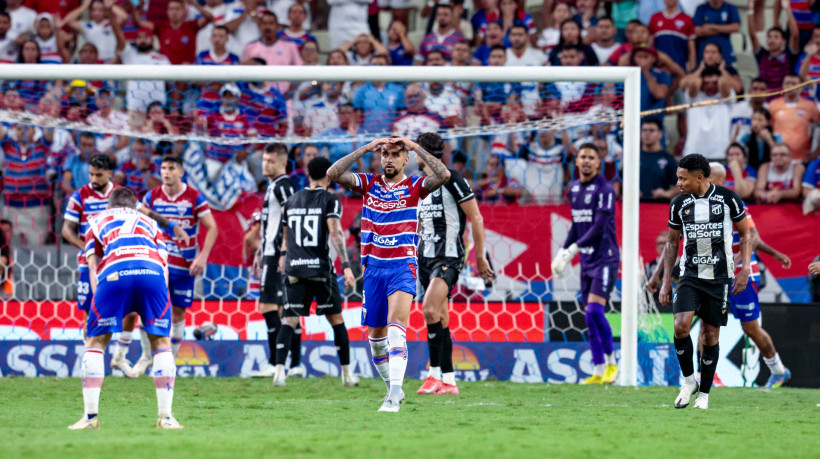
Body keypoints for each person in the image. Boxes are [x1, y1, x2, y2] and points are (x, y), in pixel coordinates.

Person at [327, 136, 450, 412]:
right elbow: (333, 173)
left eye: (396, 154)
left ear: (405, 159)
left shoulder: (416, 186)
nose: (389, 159)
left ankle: (393, 397)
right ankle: (393, 387)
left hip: (401, 267)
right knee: (376, 343)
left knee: (397, 331)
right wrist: (367, 148)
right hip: (373, 270)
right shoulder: (370, 184)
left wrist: (416, 146)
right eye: (385, 154)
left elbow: (443, 174)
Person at [61, 154, 188, 374]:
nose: (93, 178)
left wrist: (171, 225)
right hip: (89, 262)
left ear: (110, 173)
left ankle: (118, 356)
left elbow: (146, 213)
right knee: (89, 314)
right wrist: (89, 248)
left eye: (98, 174)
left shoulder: (120, 195)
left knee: (130, 311)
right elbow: (66, 230)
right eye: (91, 173)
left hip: (121, 260)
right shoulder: (79, 196)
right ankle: (92, 361)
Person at [67, 187, 182, 430]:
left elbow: (92, 264)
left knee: (96, 342)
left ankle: (90, 418)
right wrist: (161, 297)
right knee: (161, 344)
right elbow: (164, 265)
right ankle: (166, 418)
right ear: (135, 206)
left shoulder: (97, 220)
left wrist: (101, 297)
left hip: (115, 272)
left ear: (109, 206)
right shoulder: (150, 223)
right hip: (152, 273)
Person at [659, 154, 752, 410]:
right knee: (680, 327)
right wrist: (666, 281)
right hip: (690, 275)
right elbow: (672, 242)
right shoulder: (679, 203)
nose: (678, 183)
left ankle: (704, 395)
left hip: (720, 278)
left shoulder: (728, 198)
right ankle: (689, 382)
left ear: (699, 177)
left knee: (710, 336)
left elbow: (745, 235)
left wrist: (744, 270)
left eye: (682, 178)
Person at [414, 133, 494, 396]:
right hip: (425, 258)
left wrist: (480, 257)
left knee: (428, 309)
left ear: (422, 153)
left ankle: (433, 374)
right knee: (441, 318)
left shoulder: (453, 180)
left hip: (448, 258)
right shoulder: (420, 185)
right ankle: (449, 381)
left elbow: (477, 218)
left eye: (415, 150)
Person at [272, 157, 359, 387]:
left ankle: (279, 373)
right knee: (336, 320)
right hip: (320, 269)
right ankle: (347, 375)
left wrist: (283, 258)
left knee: (289, 320)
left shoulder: (291, 201)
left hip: (294, 269)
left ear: (308, 174)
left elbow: (285, 236)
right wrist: (346, 266)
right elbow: (336, 234)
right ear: (330, 176)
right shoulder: (330, 201)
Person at [707, 162, 792, 388]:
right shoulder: (699, 205)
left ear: (717, 180)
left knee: (750, 328)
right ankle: (707, 374)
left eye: (706, 177)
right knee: (708, 321)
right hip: (715, 276)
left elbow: (752, 236)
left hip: (741, 275)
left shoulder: (733, 202)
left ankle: (778, 370)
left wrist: (738, 261)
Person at [131, 155, 218, 376]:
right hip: (156, 265)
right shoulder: (153, 196)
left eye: (171, 168)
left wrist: (202, 257)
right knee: (146, 310)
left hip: (183, 266)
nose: (166, 172)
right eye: (163, 168)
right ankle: (145, 357)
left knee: (178, 313)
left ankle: (170, 363)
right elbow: (140, 215)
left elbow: (212, 227)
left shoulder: (194, 197)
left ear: (181, 172)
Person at [551, 143, 620, 385]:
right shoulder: (574, 189)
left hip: (605, 257)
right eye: (583, 157)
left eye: (592, 157)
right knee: (588, 317)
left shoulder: (605, 189)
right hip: (588, 259)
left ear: (598, 163)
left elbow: (599, 226)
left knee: (594, 311)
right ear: (577, 161)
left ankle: (612, 364)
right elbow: (577, 225)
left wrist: (572, 250)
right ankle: (599, 370)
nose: (587, 161)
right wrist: (562, 252)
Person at [250, 144, 296, 377]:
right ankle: (286, 364)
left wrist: (284, 252)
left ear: (282, 163)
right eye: (264, 160)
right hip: (270, 252)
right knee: (280, 311)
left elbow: (292, 215)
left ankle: (276, 363)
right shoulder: (273, 187)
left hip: (277, 254)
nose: (265, 164)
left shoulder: (283, 186)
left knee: (268, 308)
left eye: (270, 161)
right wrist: (260, 250)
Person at [768, 74, 820, 163]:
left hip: (802, 159)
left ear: (801, 87)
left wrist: (816, 152)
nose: (790, 86)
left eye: (794, 84)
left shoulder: (810, 106)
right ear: (783, 86)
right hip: (778, 158)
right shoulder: (773, 105)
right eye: (787, 83)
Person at [639, 118, 679, 202]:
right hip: (635, 206)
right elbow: (619, 180)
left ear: (660, 134)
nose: (647, 134)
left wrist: (667, 193)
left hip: (659, 206)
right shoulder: (633, 157)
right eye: (644, 130)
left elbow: (682, 184)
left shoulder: (668, 159)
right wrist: (629, 191)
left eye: (652, 130)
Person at [693, 0, 740, 65]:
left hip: (726, 54)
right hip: (704, 56)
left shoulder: (730, 7)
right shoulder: (701, 8)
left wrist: (712, 26)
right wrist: (724, 29)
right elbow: (698, 31)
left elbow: (735, 27)